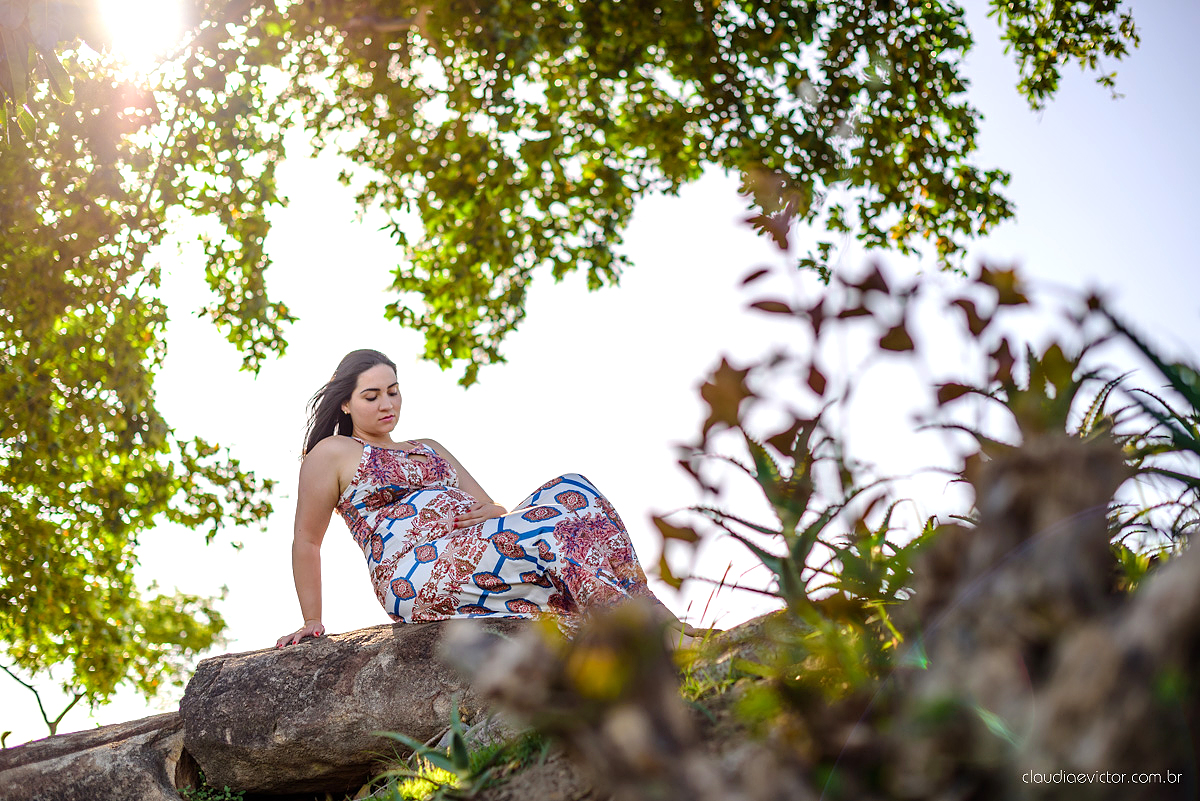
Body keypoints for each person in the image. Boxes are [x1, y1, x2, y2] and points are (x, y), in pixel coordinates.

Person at [276, 349, 691, 648]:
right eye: (372, 396)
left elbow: (493, 508)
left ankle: (652, 613)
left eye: (394, 391)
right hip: (413, 572)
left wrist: (485, 515)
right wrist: (313, 619)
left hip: (471, 549)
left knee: (575, 488)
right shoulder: (331, 454)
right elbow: (307, 541)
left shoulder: (429, 446)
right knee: (551, 529)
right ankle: (644, 635)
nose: (387, 404)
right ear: (346, 402)